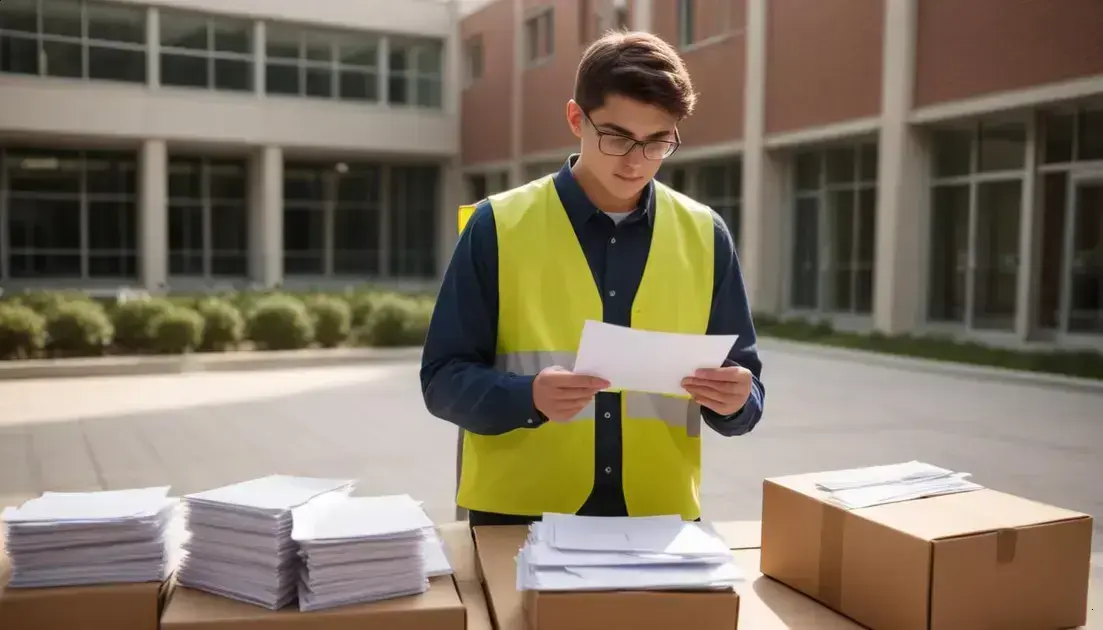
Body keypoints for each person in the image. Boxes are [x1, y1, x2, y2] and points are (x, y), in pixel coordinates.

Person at [420, 30, 765, 527]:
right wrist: (528, 396)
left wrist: (736, 401)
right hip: (519, 516)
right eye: (617, 136)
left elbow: (747, 391)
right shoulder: (496, 225)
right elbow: (442, 380)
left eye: (657, 141)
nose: (636, 161)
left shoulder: (706, 234)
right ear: (576, 118)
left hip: (657, 518)